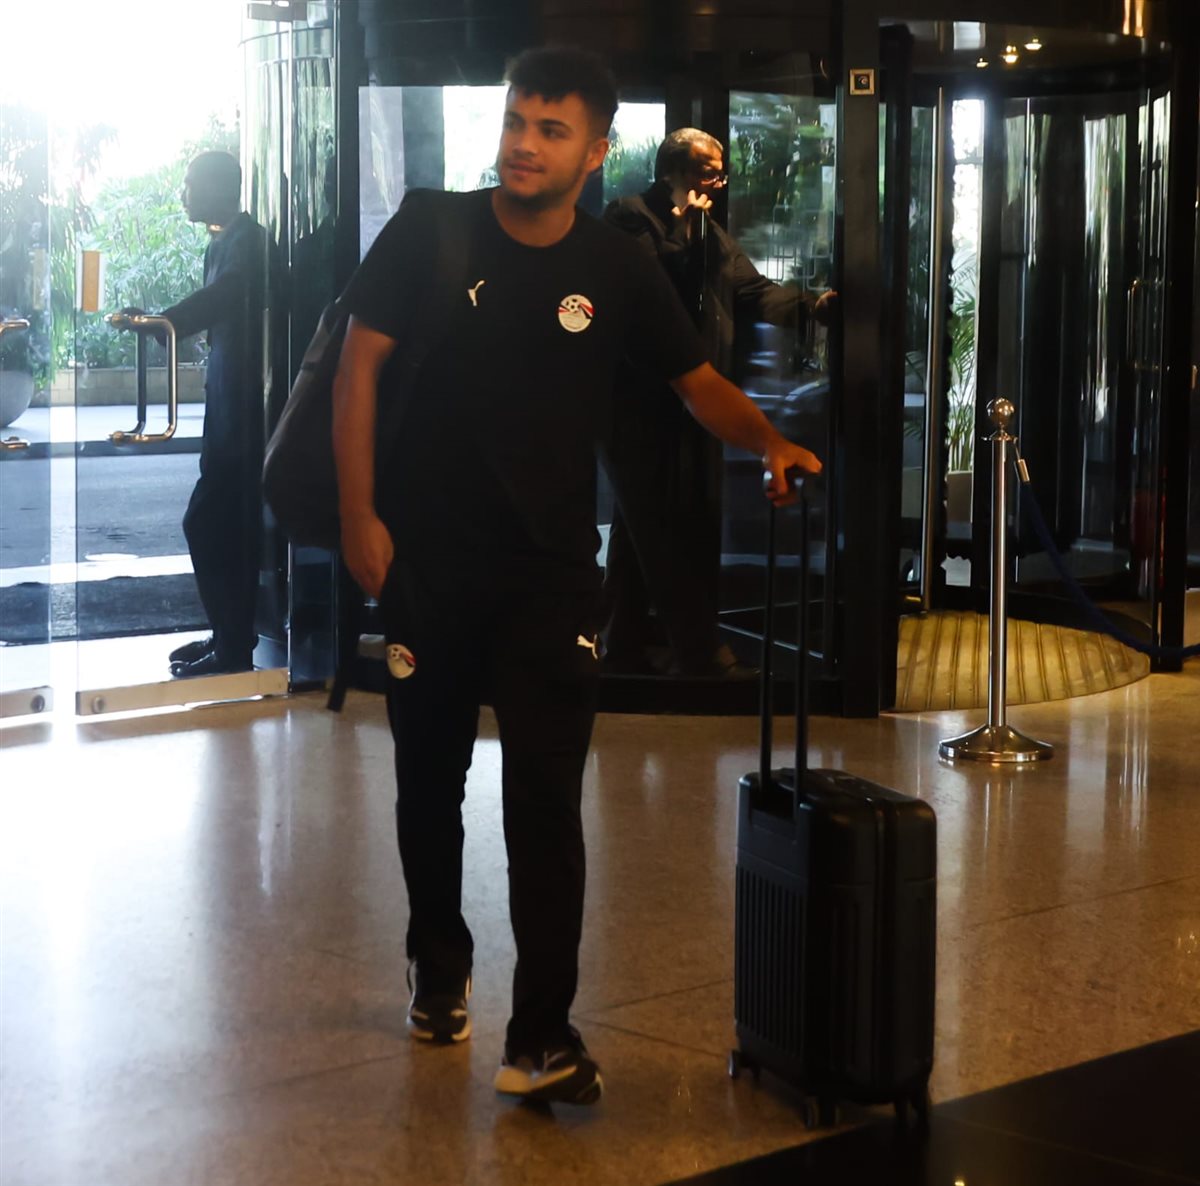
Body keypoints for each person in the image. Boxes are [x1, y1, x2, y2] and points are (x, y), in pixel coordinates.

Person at [332, 47, 820, 1107]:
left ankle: (542, 1033)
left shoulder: (616, 265)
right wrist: (359, 515)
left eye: (551, 131)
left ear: (595, 153)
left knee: (547, 801)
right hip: (427, 564)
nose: (523, 144)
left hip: (552, 576)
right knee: (429, 784)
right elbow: (358, 364)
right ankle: (439, 963)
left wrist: (769, 440)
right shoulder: (430, 228)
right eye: (517, 121)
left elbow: (696, 382)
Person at [601, 128, 835, 677]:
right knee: (663, 529)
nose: (720, 181)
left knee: (644, 526)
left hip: (696, 403)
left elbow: (750, 290)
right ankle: (701, 655)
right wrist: (686, 234)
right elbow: (652, 294)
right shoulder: (629, 217)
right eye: (709, 171)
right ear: (674, 171)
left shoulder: (709, 232)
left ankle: (622, 646)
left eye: (721, 171)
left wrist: (812, 307)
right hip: (639, 404)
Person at [125, 151, 279, 677]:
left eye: (190, 183)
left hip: (247, 414)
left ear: (218, 187)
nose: (183, 193)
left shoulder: (248, 242)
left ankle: (233, 646)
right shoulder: (222, 243)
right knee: (221, 527)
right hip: (227, 411)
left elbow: (223, 298)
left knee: (209, 523)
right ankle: (229, 637)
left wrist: (162, 323)